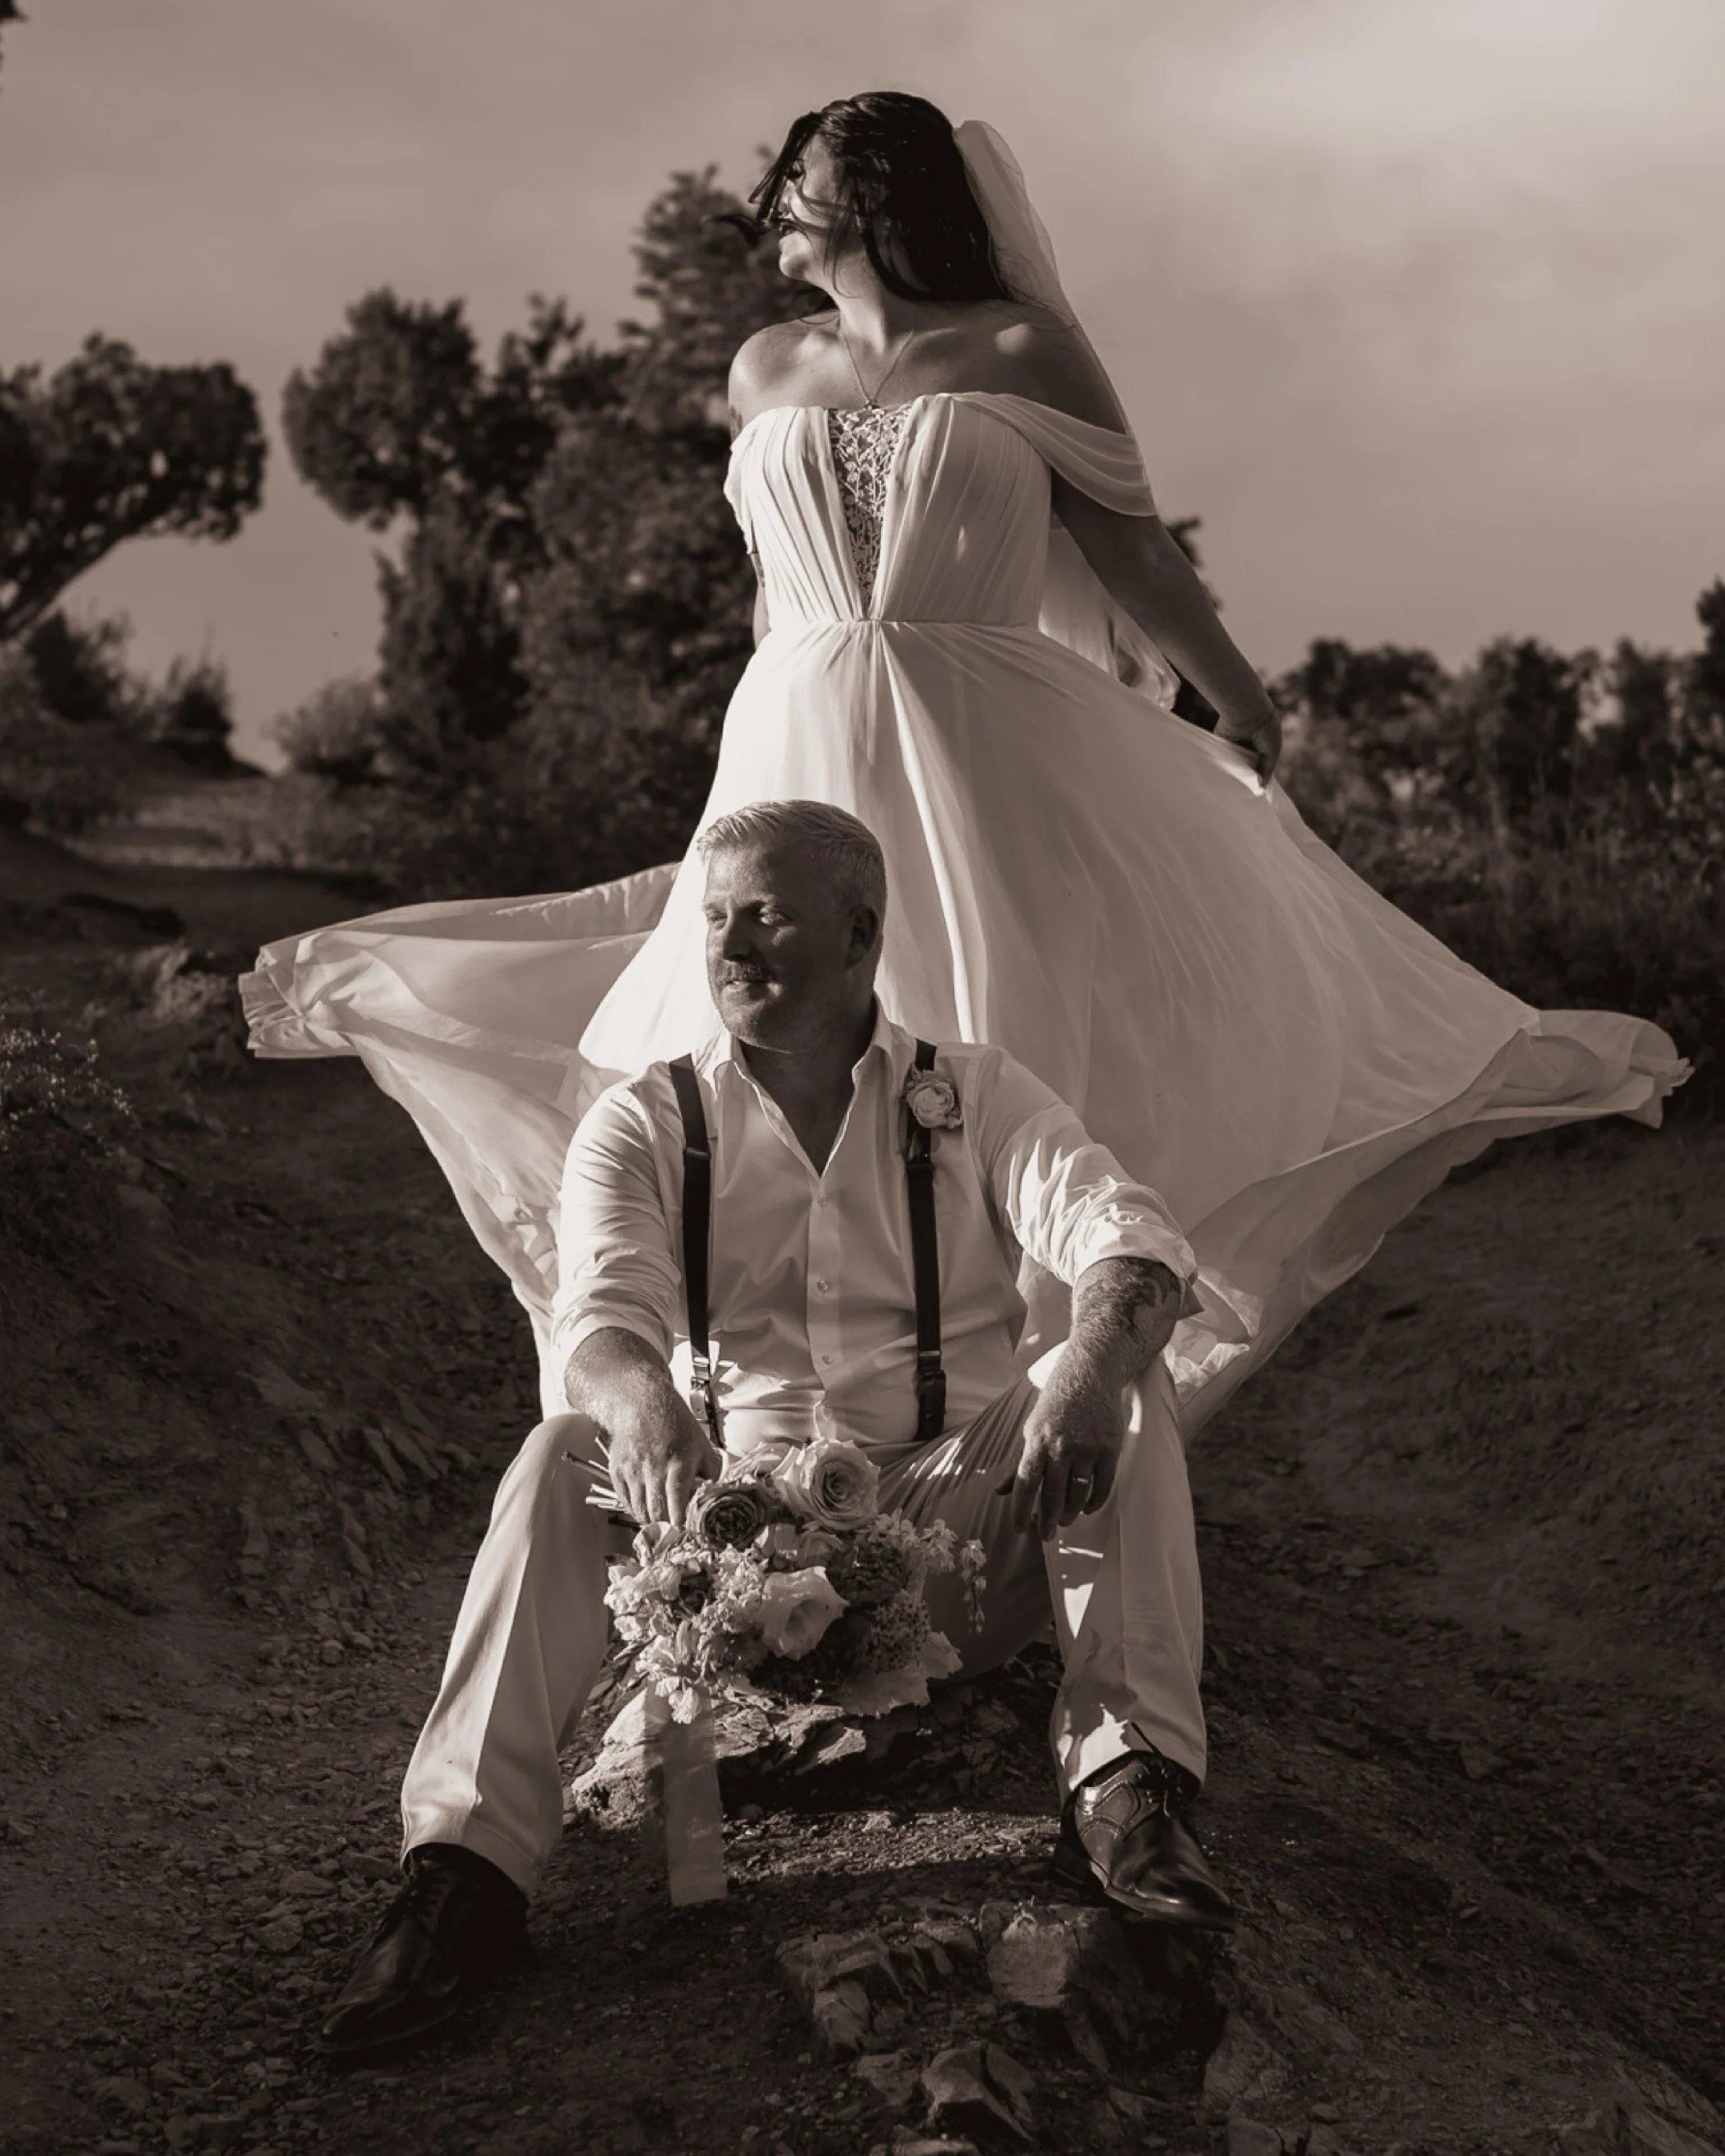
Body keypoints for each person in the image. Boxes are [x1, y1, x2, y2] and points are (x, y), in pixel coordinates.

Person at [244, 90, 1685, 1445]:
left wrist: (1236, 694)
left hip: (988, 739)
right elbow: (772, 593)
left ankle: (1016, 1433)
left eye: (796, 187)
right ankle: (777, 1452)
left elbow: (1132, 552)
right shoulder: (760, 371)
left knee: (992, 1042)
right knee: (747, 1048)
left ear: (877, 196)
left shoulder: (1021, 356)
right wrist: (752, 755)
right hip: (797, 712)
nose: (772, 214)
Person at [319, 802, 1233, 2062]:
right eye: (714, 918)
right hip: (728, 1549)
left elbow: (1131, 1243)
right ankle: (464, 1878)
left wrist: (1082, 1366)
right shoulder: (646, 1119)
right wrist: (643, 1412)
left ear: (861, 937)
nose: (730, 946)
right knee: (553, 1459)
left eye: (765, 914)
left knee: (1123, 1391)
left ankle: (1129, 1788)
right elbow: (601, 1315)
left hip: (950, 1534)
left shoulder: (976, 1093)